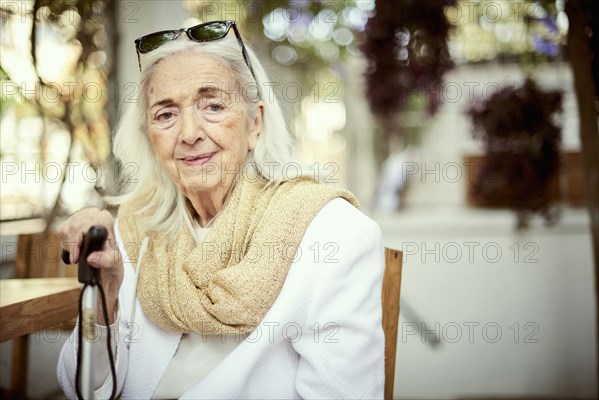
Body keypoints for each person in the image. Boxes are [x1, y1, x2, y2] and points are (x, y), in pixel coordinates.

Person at [56, 20, 385, 399]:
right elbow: (83, 388)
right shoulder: (135, 228)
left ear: (255, 123)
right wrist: (105, 298)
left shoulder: (332, 233)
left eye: (212, 105)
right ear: (151, 138)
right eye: (166, 114)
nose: (190, 132)